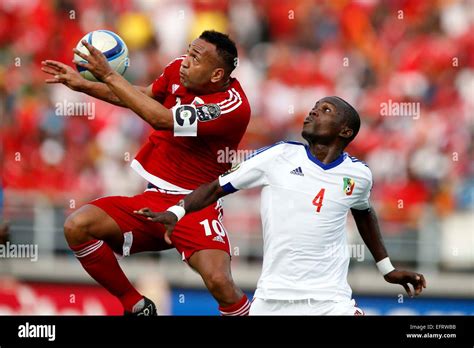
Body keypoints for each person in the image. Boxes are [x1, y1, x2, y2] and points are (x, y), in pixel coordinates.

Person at [135, 96, 427, 315]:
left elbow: (363, 212)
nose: (313, 111)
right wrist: (177, 211)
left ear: (345, 131)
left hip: (330, 301)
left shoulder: (358, 175)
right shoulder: (278, 157)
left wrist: (386, 268)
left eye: (326, 110)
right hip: (272, 301)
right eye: (314, 106)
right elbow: (215, 187)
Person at [41, 30, 252, 315]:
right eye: (189, 51)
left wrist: (109, 75)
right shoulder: (178, 69)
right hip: (152, 199)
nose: (186, 61)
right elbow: (145, 97)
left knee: (220, 282)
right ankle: (136, 305)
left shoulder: (231, 106)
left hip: (195, 204)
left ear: (216, 75)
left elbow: (160, 118)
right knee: (77, 226)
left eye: (196, 58)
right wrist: (83, 85)